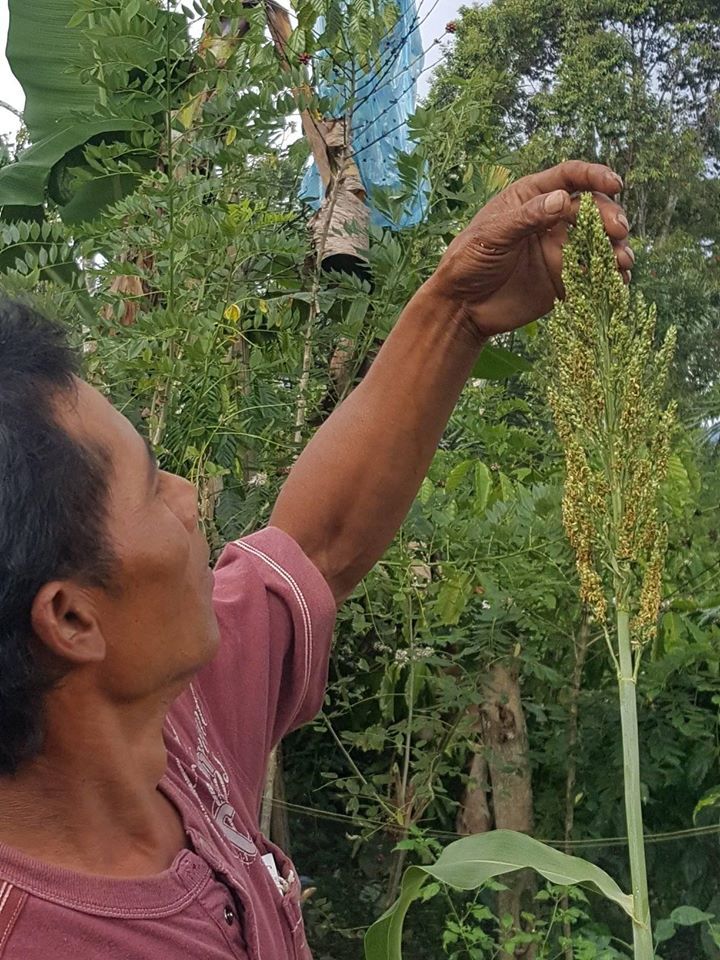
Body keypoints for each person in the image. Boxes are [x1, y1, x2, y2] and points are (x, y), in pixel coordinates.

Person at [0, 162, 632, 959]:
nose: (193, 497)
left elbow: (317, 551)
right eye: (155, 486)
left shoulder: (154, 720)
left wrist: (459, 309)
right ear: (70, 617)